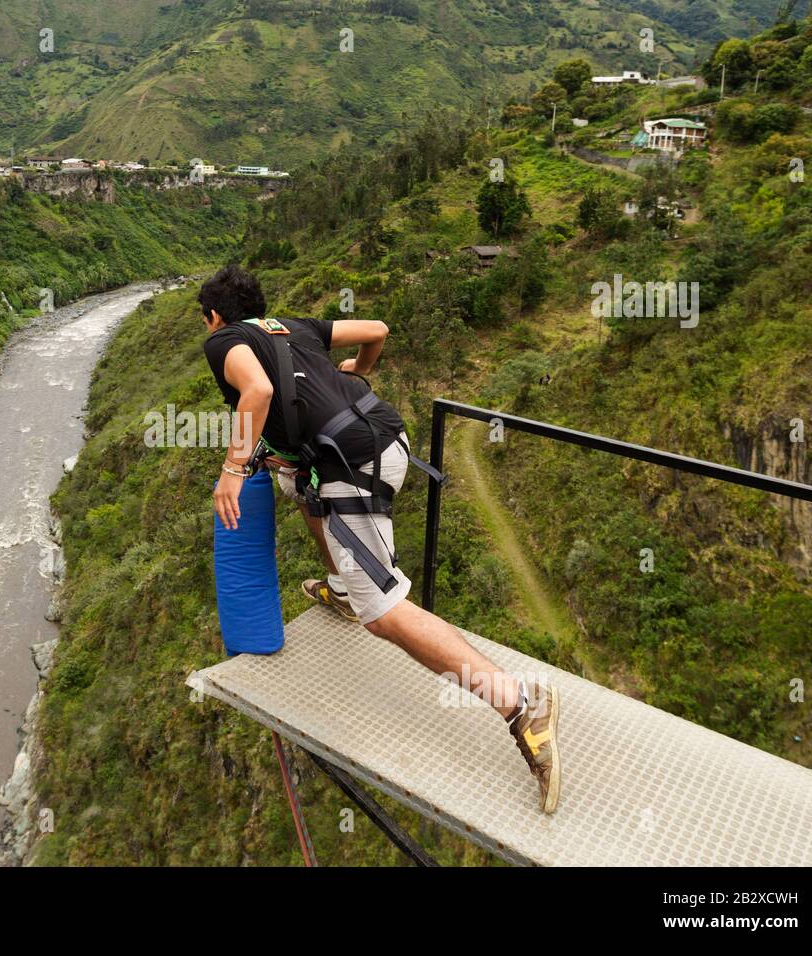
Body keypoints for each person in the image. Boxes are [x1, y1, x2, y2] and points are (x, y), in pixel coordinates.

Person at [198, 264, 562, 813]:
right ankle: (340, 587)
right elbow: (379, 330)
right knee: (295, 477)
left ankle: (520, 705)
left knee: (384, 613)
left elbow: (258, 389)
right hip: (380, 433)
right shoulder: (291, 326)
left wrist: (232, 466)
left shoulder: (225, 339)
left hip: (357, 465)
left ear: (215, 317)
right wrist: (357, 368)